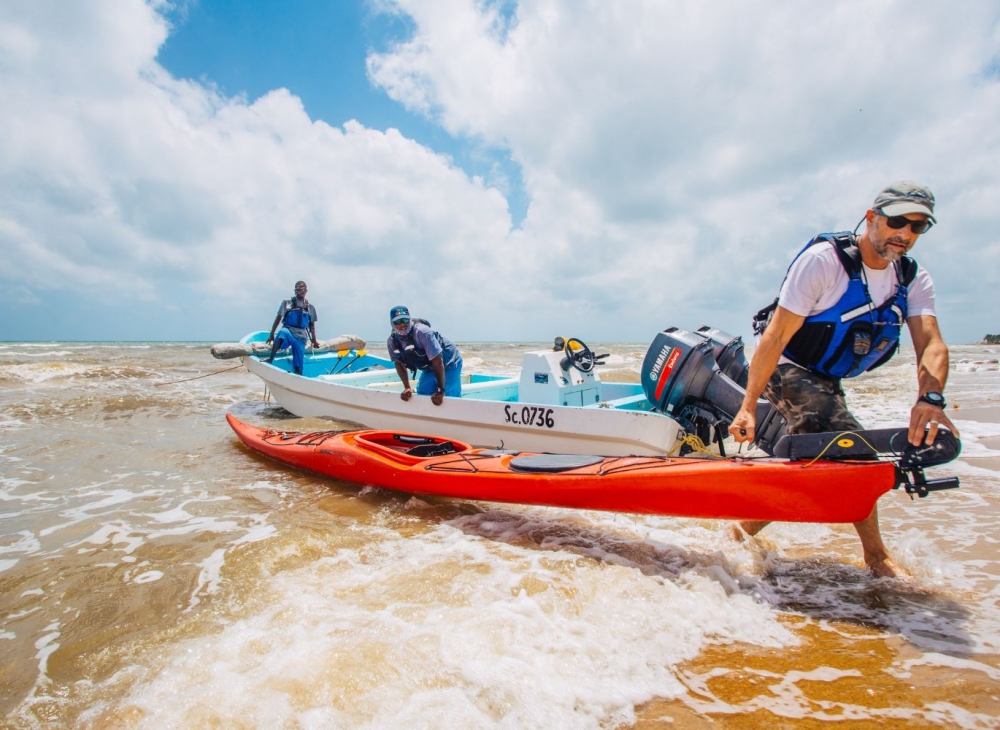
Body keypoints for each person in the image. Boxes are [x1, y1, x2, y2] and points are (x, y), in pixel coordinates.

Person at [728, 181, 959, 578]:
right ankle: (876, 558)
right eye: (897, 221)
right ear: (872, 218)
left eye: (917, 227)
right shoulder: (825, 262)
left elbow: (932, 344)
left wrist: (931, 398)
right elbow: (776, 336)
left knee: (820, 464)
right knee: (853, 451)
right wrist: (747, 406)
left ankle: (741, 529)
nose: (904, 234)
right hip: (784, 365)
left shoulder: (912, 279)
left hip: (825, 377)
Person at [386, 305, 462, 406]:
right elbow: (399, 364)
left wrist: (441, 390)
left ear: (410, 320)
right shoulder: (392, 341)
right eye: (397, 322)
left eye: (405, 320)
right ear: (392, 324)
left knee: (448, 397)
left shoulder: (422, 333)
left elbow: (438, 362)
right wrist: (407, 387)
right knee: (422, 393)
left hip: (449, 362)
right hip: (429, 366)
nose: (402, 325)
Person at [266, 281, 319, 375]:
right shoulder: (287, 303)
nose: (301, 291)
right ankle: (271, 358)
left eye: (303, 289)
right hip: (289, 331)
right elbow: (278, 319)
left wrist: (314, 340)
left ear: (306, 291)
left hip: (301, 336)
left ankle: (298, 376)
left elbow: (312, 325)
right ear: (295, 291)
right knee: (282, 332)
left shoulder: (310, 307)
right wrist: (271, 334)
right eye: (299, 289)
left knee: (299, 365)